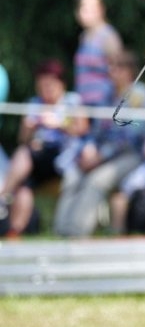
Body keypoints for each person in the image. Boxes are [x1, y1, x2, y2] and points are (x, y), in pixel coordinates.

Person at [53, 51, 145, 237]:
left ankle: (76, 232)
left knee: (97, 180)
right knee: (72, 176)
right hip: (102, 154)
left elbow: (133, 135)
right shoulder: (107, 94)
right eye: (111, 66)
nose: (111, 70)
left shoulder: (139, 95)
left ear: (129, 71)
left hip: (131, 155)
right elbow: (96, 130)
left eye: (117, 67)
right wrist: (89, 148)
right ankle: (60, 230)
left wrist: (100, 156)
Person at [0, 59, 85, 239]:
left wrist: (59, 124)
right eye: (42, 86)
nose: (46, 90)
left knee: (25, 155)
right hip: (36, 159)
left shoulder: (72, 101)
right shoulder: (34, 103)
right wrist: (29, 128)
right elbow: (22, 140)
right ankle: (14, 232)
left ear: (60, 83)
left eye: (50, 85)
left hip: (64, 158)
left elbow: (82, 130)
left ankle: (2, 195)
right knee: (24, 187)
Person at [73, 0, 123, 108]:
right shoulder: (84, 36)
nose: (84, 12)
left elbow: (118, 70)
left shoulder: (108, 35)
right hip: (84, 100)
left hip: (104, 100)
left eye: (90, 8)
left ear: (101, 9)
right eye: (82, 8)